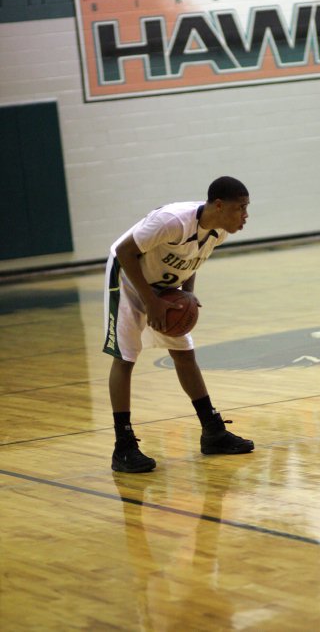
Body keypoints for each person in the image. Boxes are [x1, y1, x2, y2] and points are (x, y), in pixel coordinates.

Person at [103, 176, 254, 473]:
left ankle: (212, 432)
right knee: (126, 357)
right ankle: (123, 446)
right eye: (241, 208)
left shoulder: (217, 232)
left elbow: (191, 264)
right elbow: (124, 251)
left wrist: (187, 294)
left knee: (184, 354)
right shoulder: (172, 221)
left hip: (163, 287)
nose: (246, 216)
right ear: (220, 205)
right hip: (128, 278)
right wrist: (150, 301)